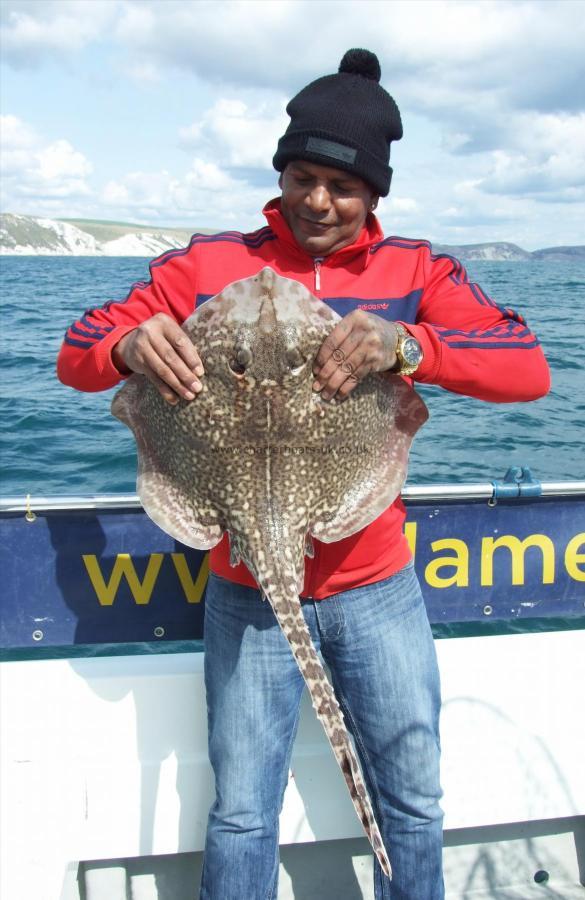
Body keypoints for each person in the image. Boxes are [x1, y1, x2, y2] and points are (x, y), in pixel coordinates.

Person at [57, 49, 550, 900]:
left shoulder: (415, 270)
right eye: (302, 175)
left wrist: (410, 345)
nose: (318, 200)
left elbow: (526, 367)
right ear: (281, 173)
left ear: (374, 196)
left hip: (375, 583)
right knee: (243, 811)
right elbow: (77, 350)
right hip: (244, 585)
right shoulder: (204, 266)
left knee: (412, 798)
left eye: (343, 185)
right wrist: (127, 344)